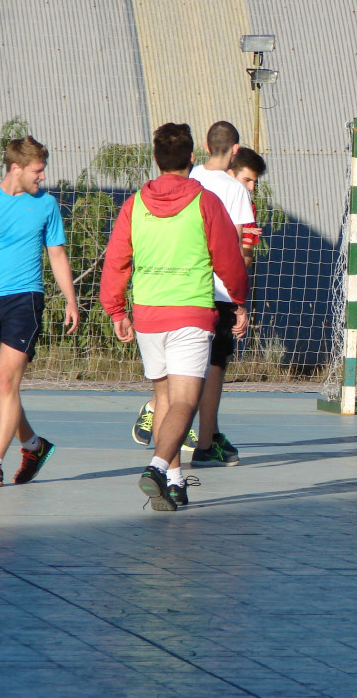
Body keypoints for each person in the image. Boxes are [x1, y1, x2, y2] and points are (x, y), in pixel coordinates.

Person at [100, 122, 249, 510]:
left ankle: (175, 480)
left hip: (148, 314)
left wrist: (116, 309)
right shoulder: (205, 202)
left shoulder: (134, 204)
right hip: (191, 312)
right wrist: (239, 299)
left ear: (155, 160)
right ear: (191, 159)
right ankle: (155, 466)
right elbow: (229, 259)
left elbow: (116, 260)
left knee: (164, 398)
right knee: (186, 399)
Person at [130, 123, 256, 467]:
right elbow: (237, 247)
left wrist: (115, 308)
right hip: (206, 293)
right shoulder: (227, 192)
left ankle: (160, 418)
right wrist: (240, 299)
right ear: (235, 150)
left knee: (169, 382)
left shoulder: (188, 179)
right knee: (211, 369)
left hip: (156, 296)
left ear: (201, 148)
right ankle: (204, 442)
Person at [0, 136, 80, 487]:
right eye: (37, 171)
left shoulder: (46, 205)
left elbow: (57, 255)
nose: (42, 177)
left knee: (6, 382)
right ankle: (33, 445)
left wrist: (71, 299)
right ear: (16, 168)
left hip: (25, 300)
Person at [227, 147, 268, 270]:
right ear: (230, 174)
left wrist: (233, 274)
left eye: (254, 182)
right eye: (247, 180)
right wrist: (240, 230)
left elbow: (247, 253)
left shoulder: (248, 206)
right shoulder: (205, 194)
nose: (251, 187)